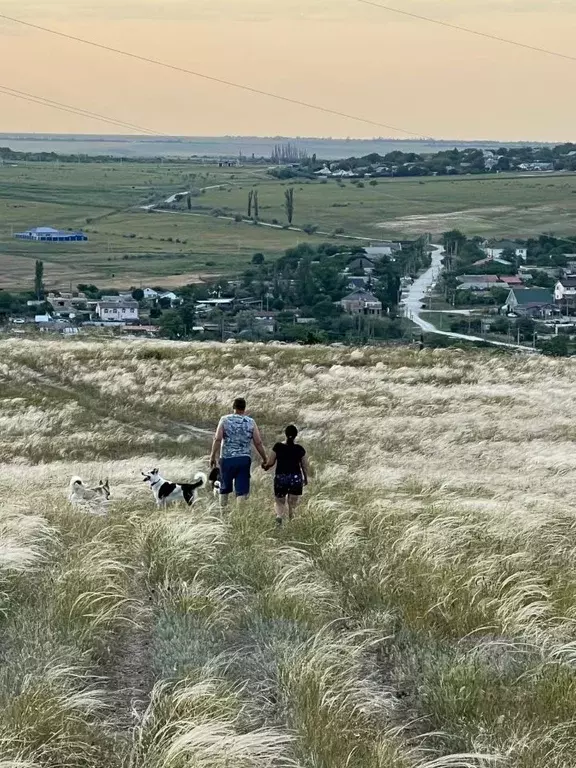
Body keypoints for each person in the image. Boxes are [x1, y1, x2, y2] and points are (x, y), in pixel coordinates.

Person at [209, 397, 267, 506]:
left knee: (224, 488)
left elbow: (217, 439)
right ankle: (240, 514)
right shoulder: (251, 422)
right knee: (241, 490)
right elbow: (258, 442)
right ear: (244, 408)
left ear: (233, 407)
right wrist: (265, 458)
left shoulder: (224, 420)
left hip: (227, 459)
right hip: (244, 459)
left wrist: (212, 456)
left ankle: (223, 513)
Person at [263, 425, 308, 527]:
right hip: (295, 478)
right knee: (293, 504)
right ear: (296, 435)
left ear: (285, 434)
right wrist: (305, 478)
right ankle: (292, 523)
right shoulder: (299, 449)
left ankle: (279, 517)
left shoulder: (278, 446)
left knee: (280, 502)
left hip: (281, 478)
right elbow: (304, 466)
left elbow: (270, 462)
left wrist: (265, 466)